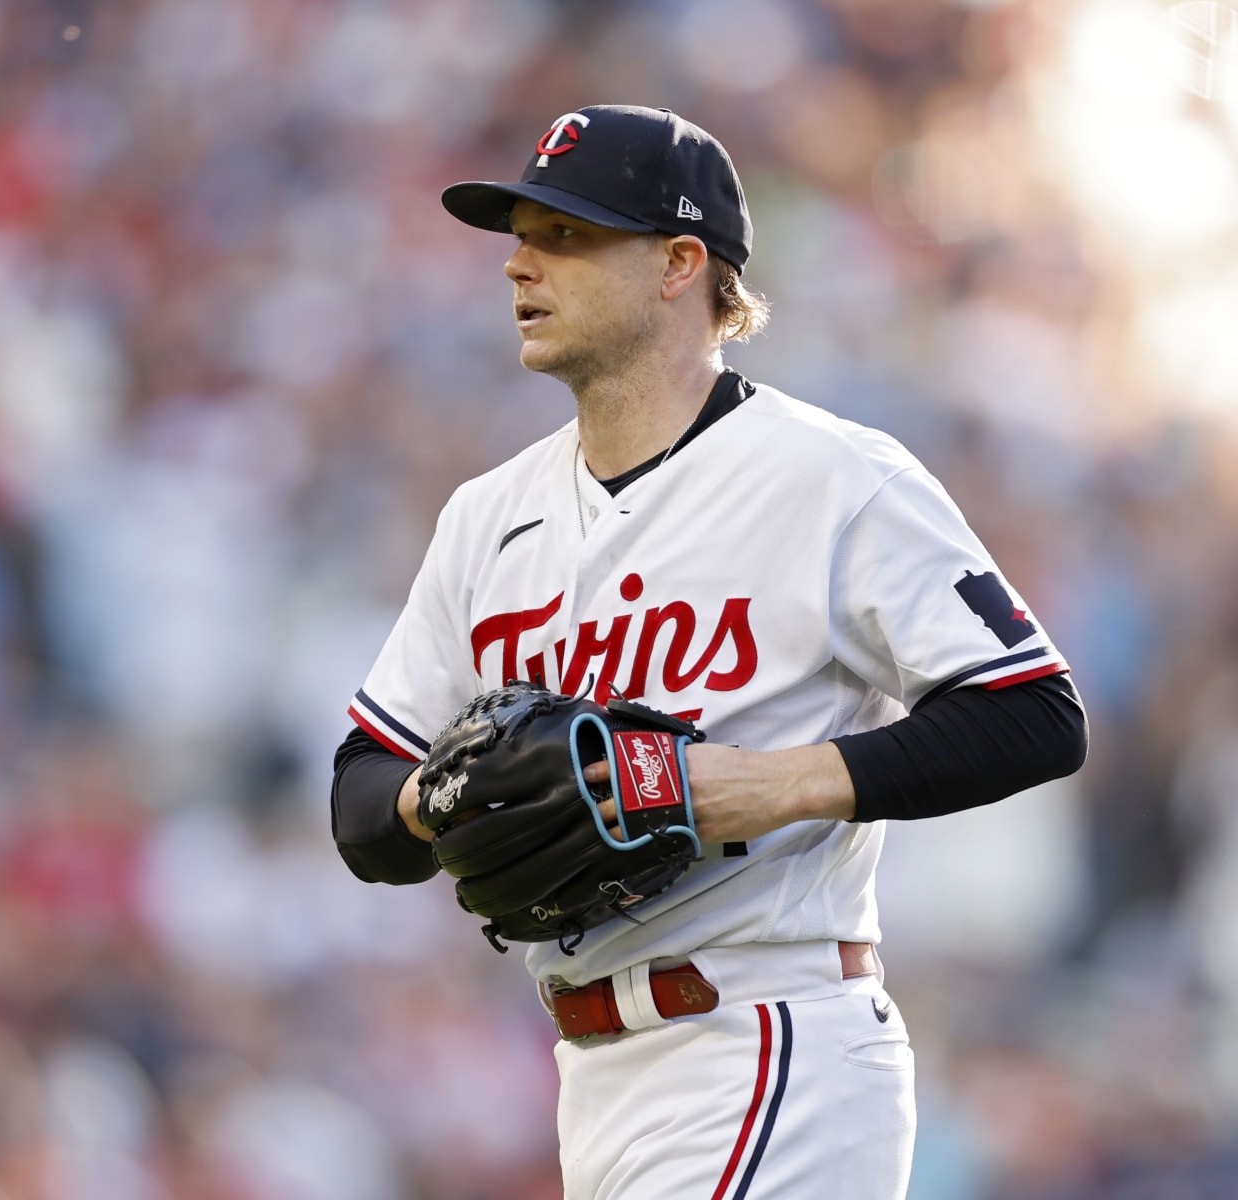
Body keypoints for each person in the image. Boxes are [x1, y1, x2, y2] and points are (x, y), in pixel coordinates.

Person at [330, 105, 1088, 1199]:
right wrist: (442, 798)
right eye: (520, 234)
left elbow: (1033, 713)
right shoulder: (486, 518)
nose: (519, 265)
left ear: (682, 263)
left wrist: (754, 787)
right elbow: (363, 805)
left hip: (773, 1038)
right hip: (592, 1073)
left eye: (566, 236)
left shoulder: (829, 475)